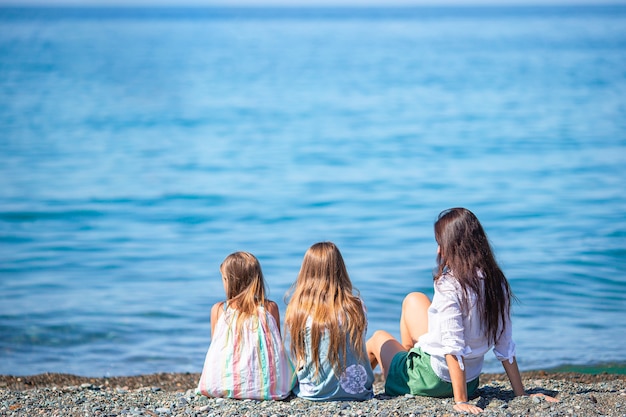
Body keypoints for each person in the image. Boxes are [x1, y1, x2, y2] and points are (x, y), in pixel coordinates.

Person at [366, 208, 558, 414]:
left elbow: (453, 347)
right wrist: (520, 393)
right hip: (469, 381)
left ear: (452, 246)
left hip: (432, 380)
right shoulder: (497, 282)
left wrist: (461, 401)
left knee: (377, 338)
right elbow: (504, 344)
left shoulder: (449, 285)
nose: (438, 251)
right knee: (414, 299)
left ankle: (356, 387)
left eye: (440, 244)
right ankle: (408, 359)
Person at [197, 251, 295, 400]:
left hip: (221, 385)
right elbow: (276, 351)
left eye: (223, 279)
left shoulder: (219, 310)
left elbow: (215, 350)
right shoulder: (270, 308)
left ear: (230, 281)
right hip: (269, 388)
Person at [285, 242, 375, 401]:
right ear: (340, 269)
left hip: (313, 391)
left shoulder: (298, 309)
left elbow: (299, 354)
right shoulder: (357, 306)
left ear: (306, 272)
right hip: (358, 392)